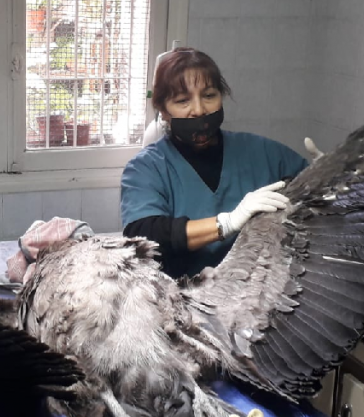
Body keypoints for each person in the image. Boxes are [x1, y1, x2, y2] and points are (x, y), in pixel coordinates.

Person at [121, 48, 315, 279]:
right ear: (164, 111)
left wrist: (330, 173)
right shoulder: (147, 169)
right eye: (183, 101)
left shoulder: (261, 152)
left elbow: (314, 195)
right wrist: (226, 223)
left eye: (209, 96)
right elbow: (144, 237)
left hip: (262, 294)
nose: (199, 110)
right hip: (185, 301)